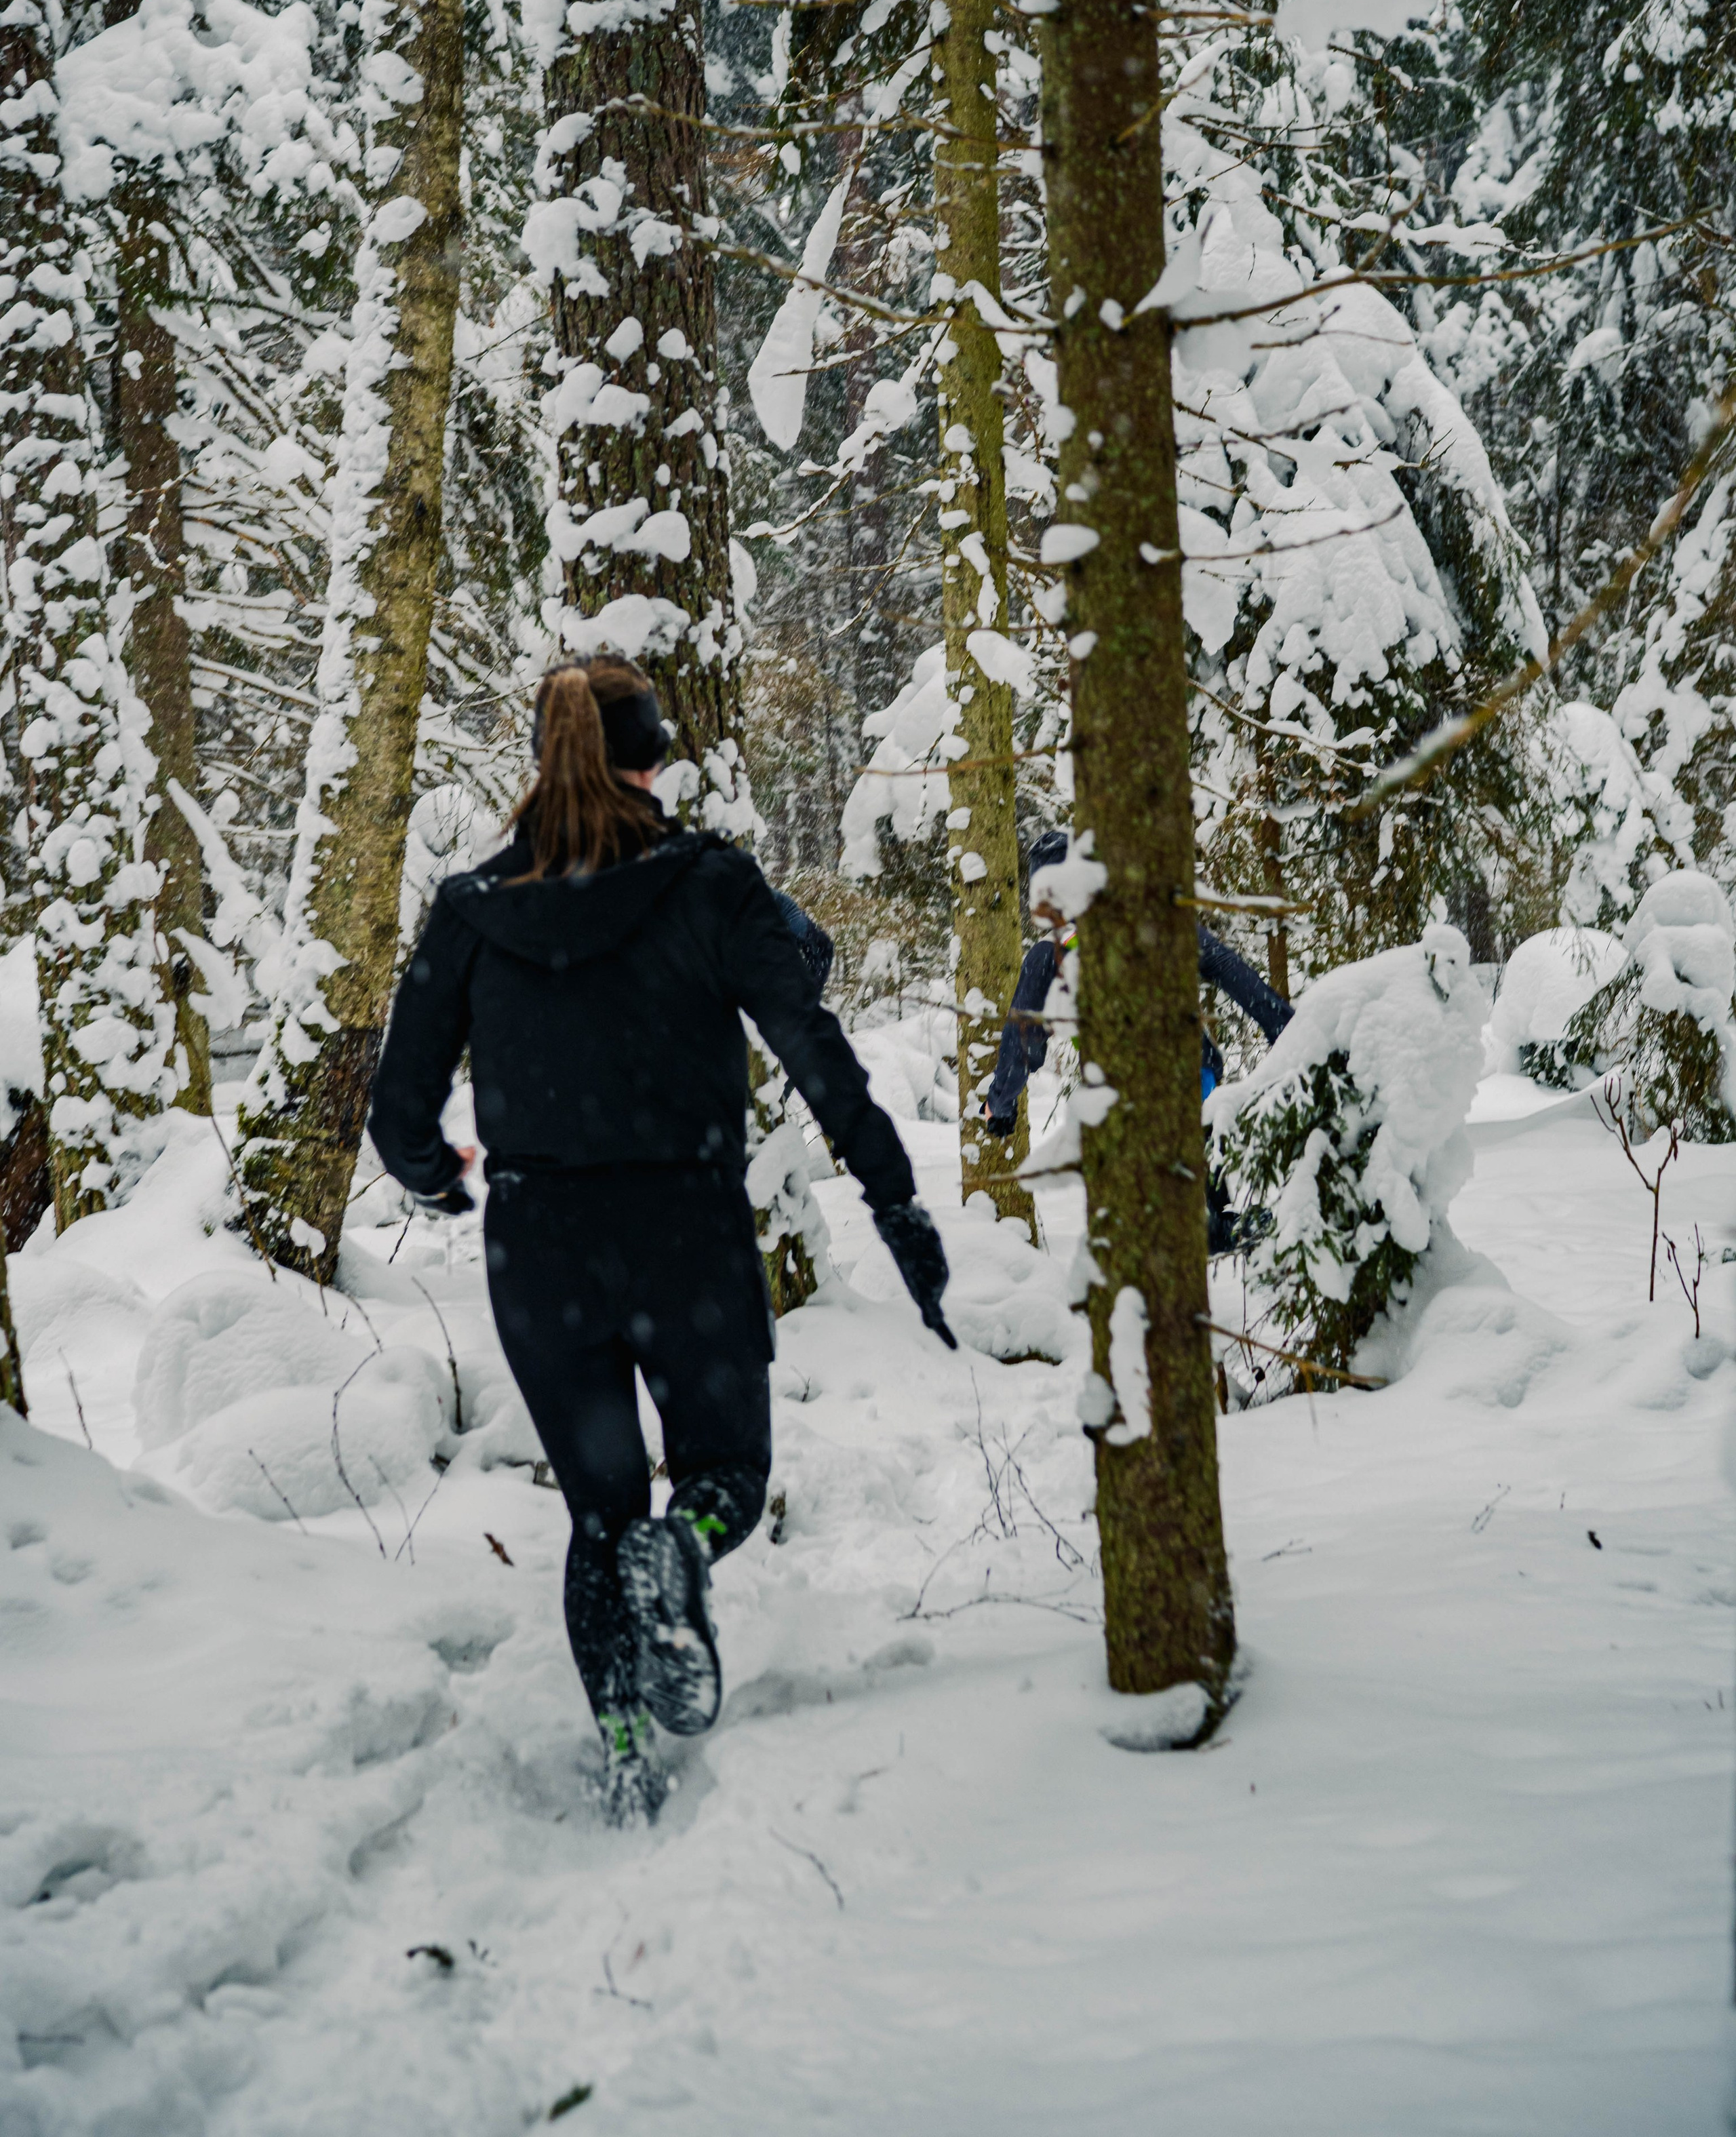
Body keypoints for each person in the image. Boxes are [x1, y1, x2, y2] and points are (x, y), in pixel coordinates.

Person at [368, 656, 954, 1822]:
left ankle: (628, 1748)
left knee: (598, 1513)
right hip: (685, 1225)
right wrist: (895, 1198)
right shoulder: (710, 884)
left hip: (539, 1241)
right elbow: (816, 1048)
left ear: (546, 758)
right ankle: (684, 1549)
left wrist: (441, 1181)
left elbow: (396, 1114)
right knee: (725, 1473)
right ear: (652, 758)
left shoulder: (472, 908)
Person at [982, 831, 1293, 1250]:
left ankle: (1204, 1231)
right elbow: (1224, 965)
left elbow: (1023, 1041)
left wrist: (1000, 1106)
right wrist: (1284, 1027)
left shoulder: (1048, 953)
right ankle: (1220, 1223)